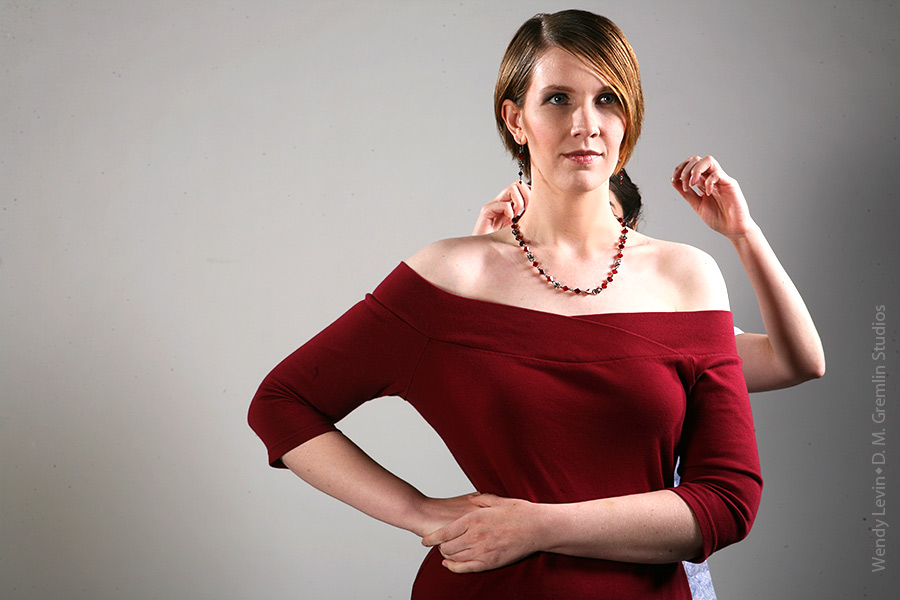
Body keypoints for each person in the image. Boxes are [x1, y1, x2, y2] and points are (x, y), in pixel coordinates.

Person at [249, 10, 763, 599]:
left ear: (630, 118)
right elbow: (281, 403)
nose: (586, 124)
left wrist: (538, 526)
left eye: (607, 100)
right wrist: (420, 511)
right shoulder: (451, 277)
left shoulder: (688, 277)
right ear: (516, 119)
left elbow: (729, 502)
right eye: (558, 99)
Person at [473, 162, 825, 599]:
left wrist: (743, 233)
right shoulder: (510, 333)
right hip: (519, 571)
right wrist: (480, 262)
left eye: (602, 217)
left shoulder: (672, 326)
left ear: (632, 230)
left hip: (652, 570)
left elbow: (799, 361)